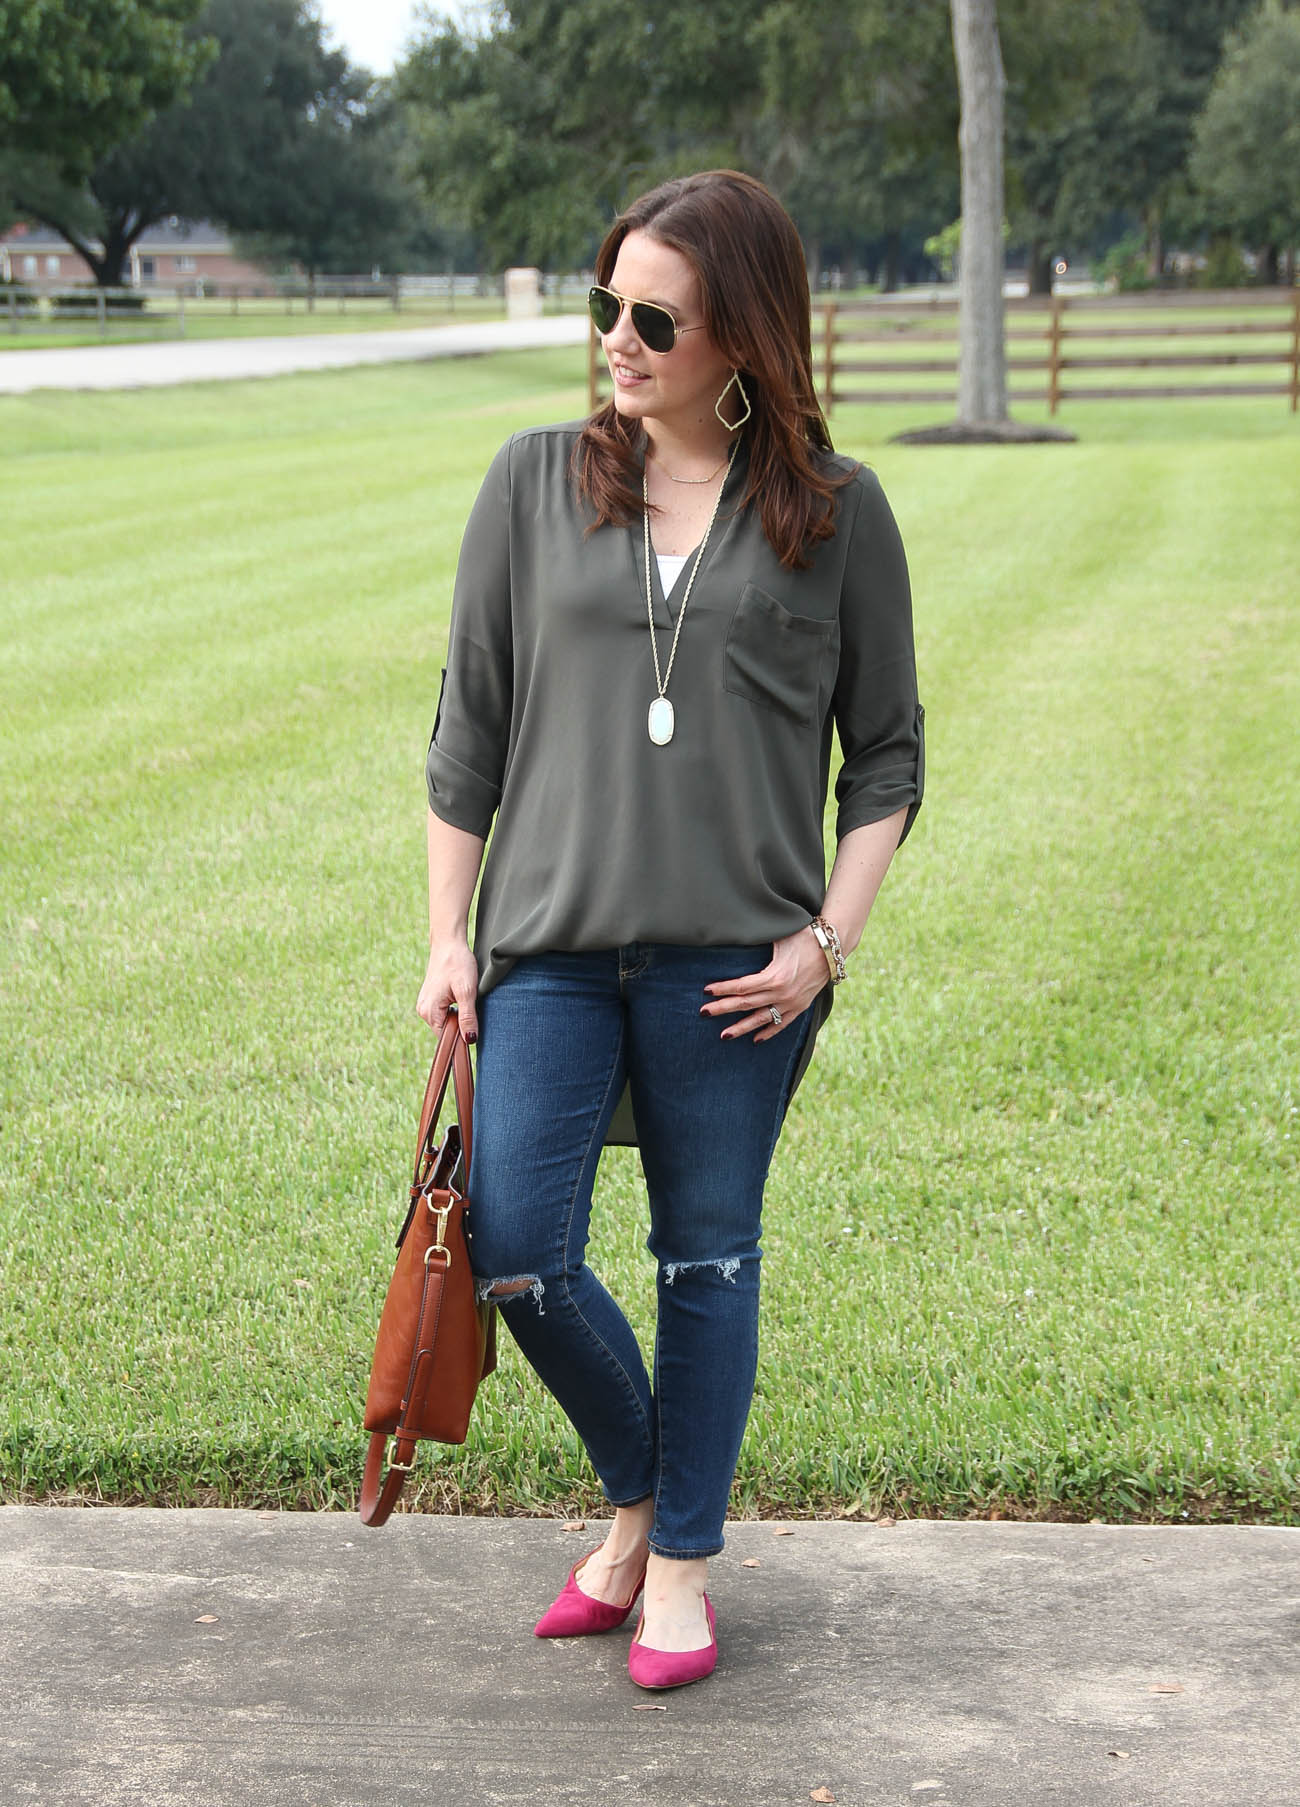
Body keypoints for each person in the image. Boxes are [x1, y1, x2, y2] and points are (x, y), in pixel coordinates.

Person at [417, 169, 923, 1690]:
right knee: (515, 1246)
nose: (616, 340)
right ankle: (645, 1501)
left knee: (707, 1261)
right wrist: (451, 938)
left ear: (744, 339)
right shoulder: (530, 483)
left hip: (737, 969)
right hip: (550, 949)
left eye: (654, 318)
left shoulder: (833, 515)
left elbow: (886, 754)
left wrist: (826, 945)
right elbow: (468, 736)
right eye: (604, 305)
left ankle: (679, 1571)